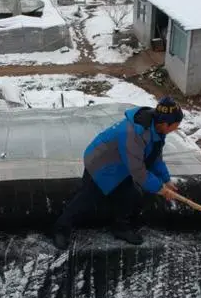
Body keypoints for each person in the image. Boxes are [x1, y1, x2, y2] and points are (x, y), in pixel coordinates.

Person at [52, 97, 184, 250]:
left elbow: (155, 157)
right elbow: (138, 170)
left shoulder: (157, 130)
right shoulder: (134, 133)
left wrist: (166, 180)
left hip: (122, 164)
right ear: (165, 124)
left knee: (129, 195)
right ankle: (60, 229)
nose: (177, 128)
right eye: (176, 125)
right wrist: (160, 189)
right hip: (101, 163)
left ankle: (120, 228)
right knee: (87, 199)